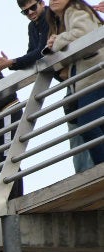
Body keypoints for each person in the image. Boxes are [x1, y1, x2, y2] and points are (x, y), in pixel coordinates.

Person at [47, 0, 104, 171]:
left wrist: (57, 42)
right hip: (90, 78)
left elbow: (84, 32)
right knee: (96, 125)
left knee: (87, 124)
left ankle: (101, 169)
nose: (53, 0)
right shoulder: (64, 18)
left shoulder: (74, 9)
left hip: (93, 78)